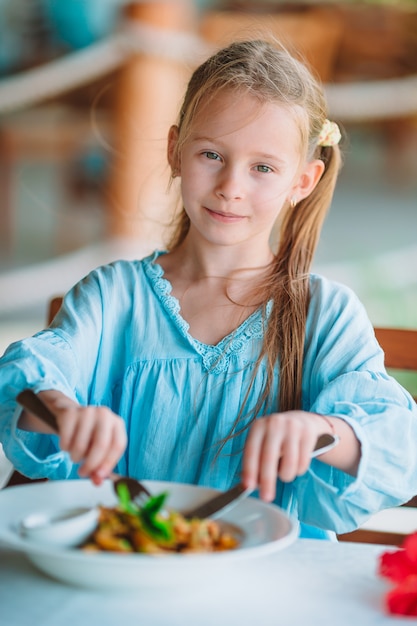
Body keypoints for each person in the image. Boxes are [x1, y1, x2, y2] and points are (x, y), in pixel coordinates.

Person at [1, 39, 416, 540]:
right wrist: (62, 410)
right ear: (176, 151)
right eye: (212, 154)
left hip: (274, 587)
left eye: (263, 167)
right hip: (127, 568)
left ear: (303, 182)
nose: (231, 186)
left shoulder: (324, 313)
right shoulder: (112, 296)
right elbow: (24, 381)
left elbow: (396, 438)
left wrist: (324, 432)